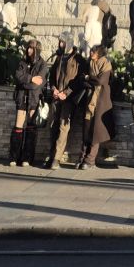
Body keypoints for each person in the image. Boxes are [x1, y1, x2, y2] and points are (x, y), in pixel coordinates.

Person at [45, 34, 85, 169]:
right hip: (56, 98)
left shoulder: (78, 60)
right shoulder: (59, 58)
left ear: (68, 43)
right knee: (52, 126)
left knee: (63, 127)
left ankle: (56, 158)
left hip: (69, 99)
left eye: (62, 42)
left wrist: (66, 93)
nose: (60, 45)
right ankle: (51, 156)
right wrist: (54, 89)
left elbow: (80, 80)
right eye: (59, 42)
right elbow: (51, 76)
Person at [10, 40, 48, 166]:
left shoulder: (42, 65)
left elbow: (37, 85)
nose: (29, 50)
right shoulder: (22, 62)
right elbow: (18, 76)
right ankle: (14, 157)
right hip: (21, 97)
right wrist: (31, 78)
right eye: (28, 48)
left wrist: (26, 81)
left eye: (31, 48)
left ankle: (27, 158)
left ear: (37, 50)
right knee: (18, 127)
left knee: (31, 128)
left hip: (34, 99)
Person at [77, 44, 115, 169]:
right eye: (91, 51)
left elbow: (100, 81)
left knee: (96, 131)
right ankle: (82, 157)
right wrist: (89, 79)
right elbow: (83, 79)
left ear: (99, 53)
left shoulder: (105, 64)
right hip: (90, 99)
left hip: (101, 101)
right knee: (86, 129)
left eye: (94, 51)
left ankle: (90, 160)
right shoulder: (90, 64)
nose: (91, 53)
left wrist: (89, 78)